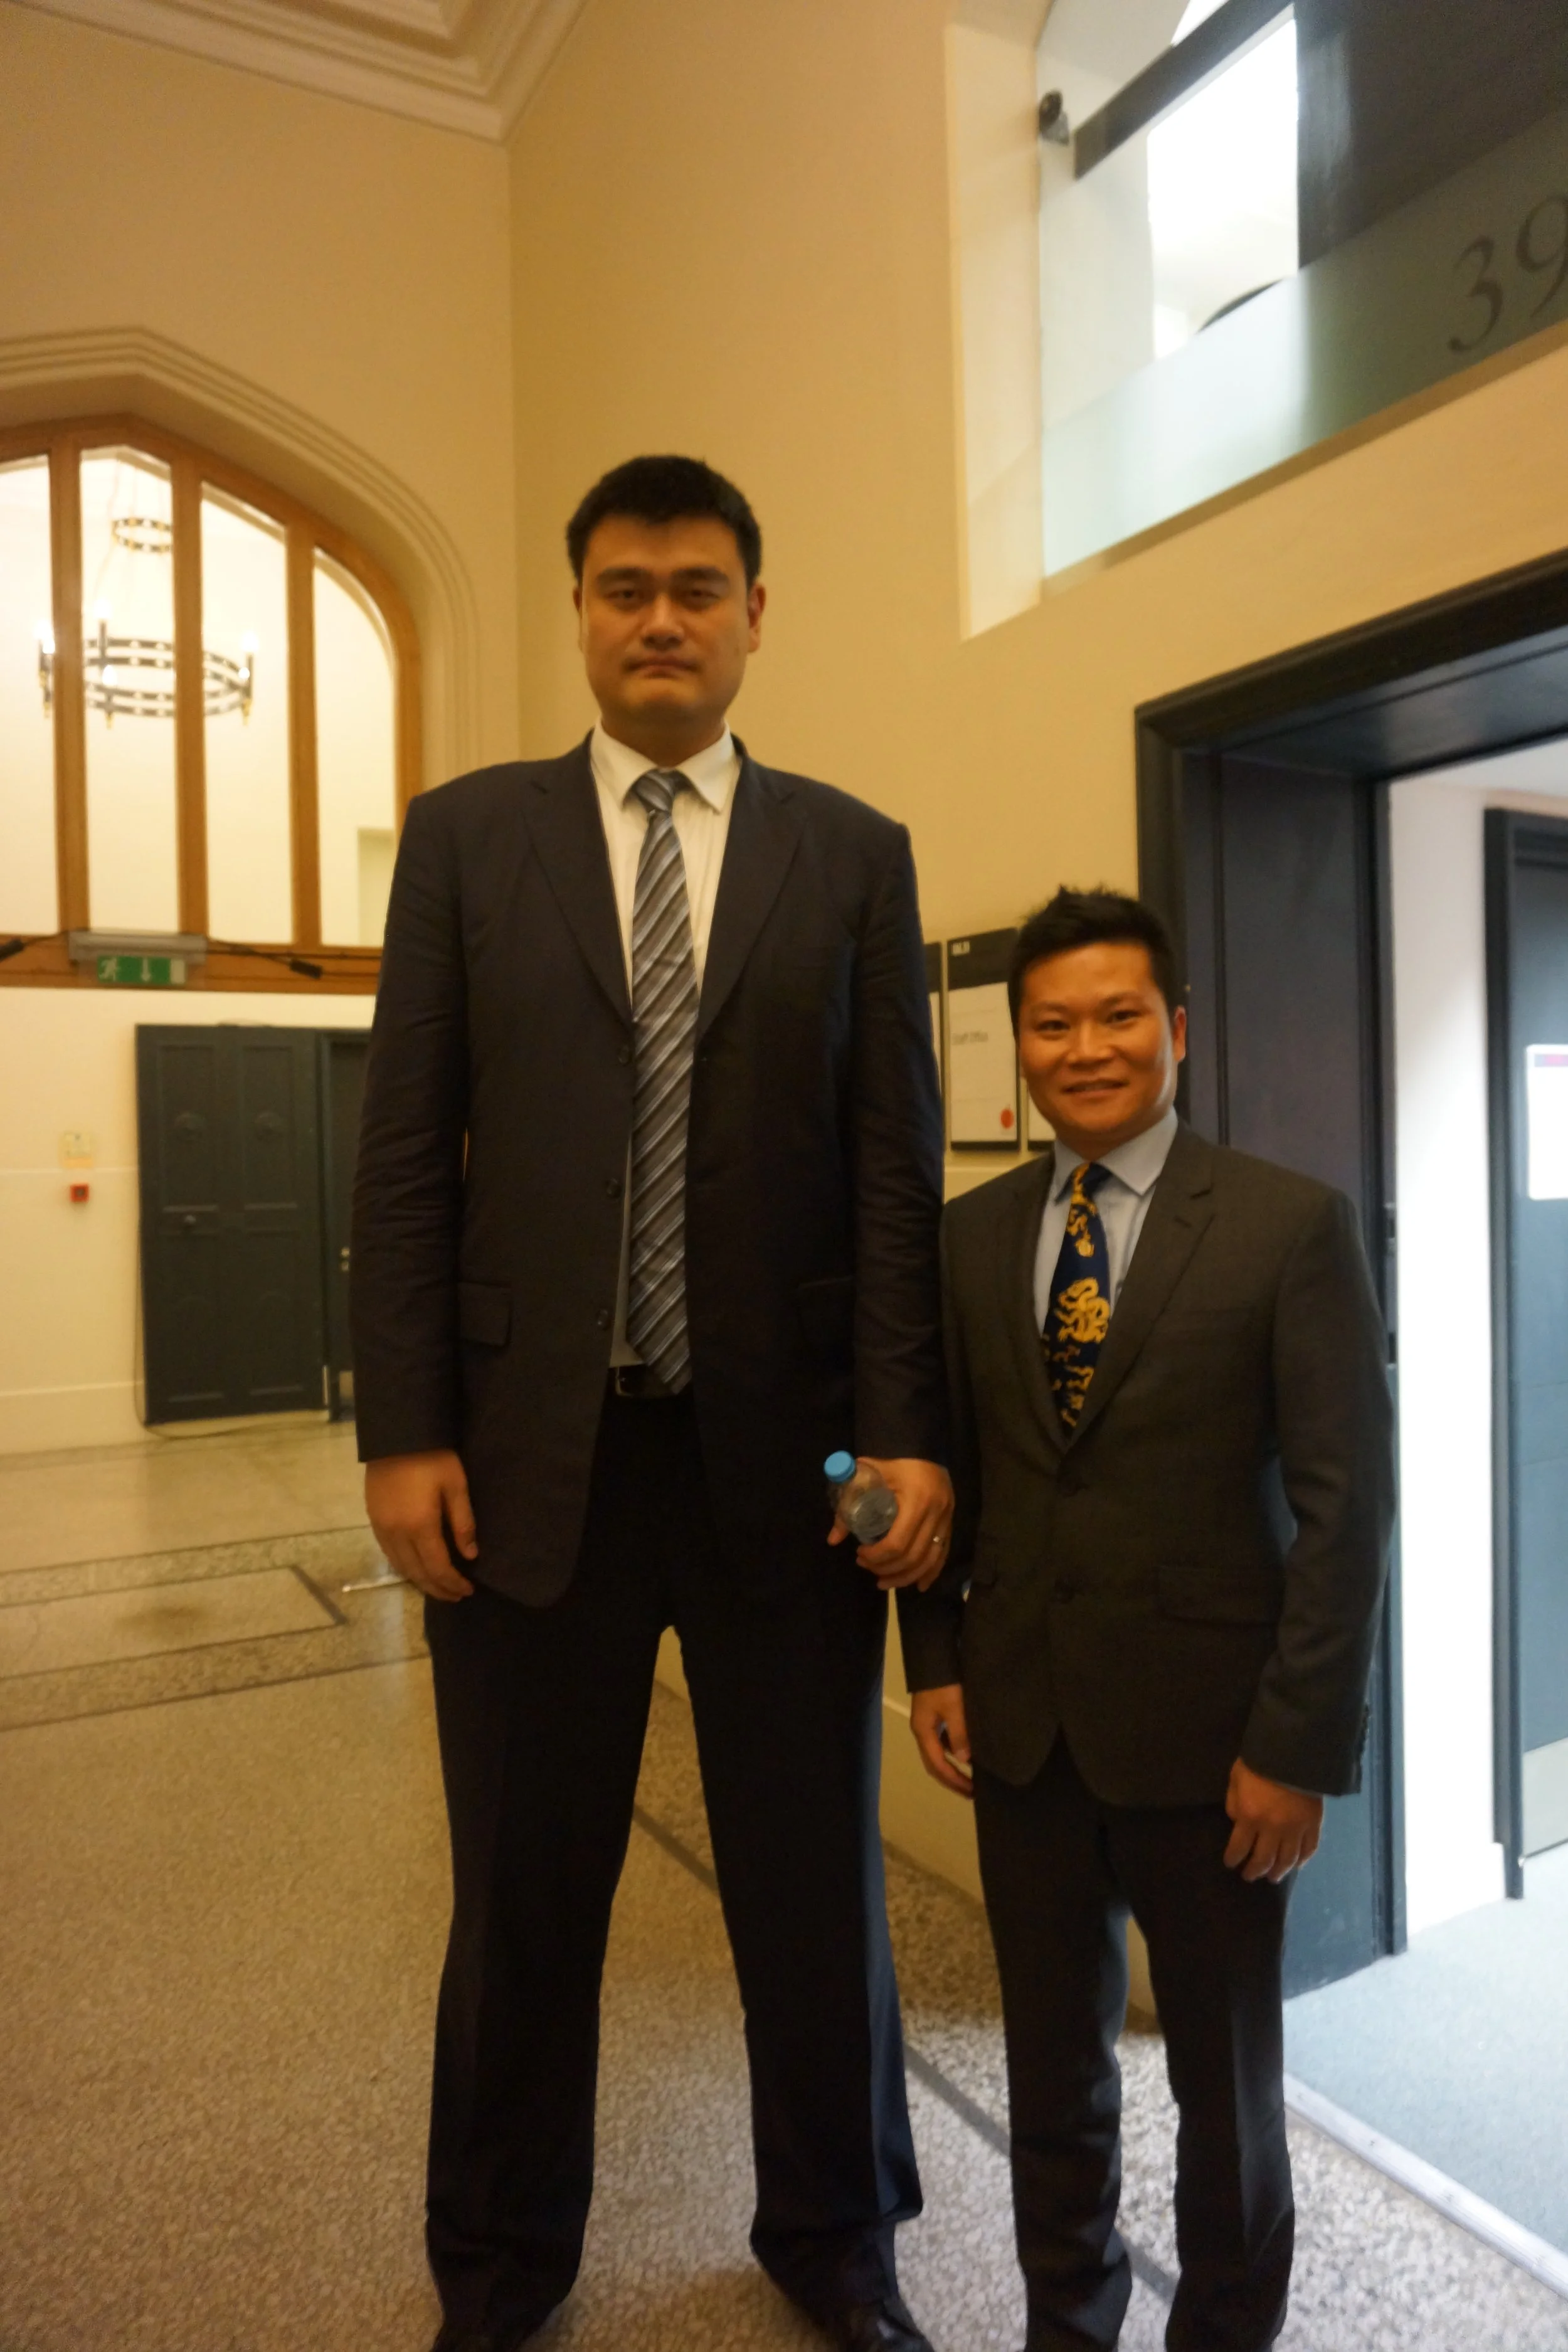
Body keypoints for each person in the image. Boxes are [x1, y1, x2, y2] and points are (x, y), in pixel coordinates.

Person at [351, 454, 953, 2352]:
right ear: (581, 613)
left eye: (699, 588)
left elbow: (891, 1176)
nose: (663, 619)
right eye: (626, 588)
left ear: (755, 614)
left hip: (787, 1467)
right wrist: (402, 1427)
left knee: (809, 1887)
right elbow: (405, 1157)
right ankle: (498, 2264)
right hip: (530, 1464)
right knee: (524, 1896)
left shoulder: (852, 853)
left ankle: (836, 2239)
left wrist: (903, 1431)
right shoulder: (468, 840)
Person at [898, 887, 1394, 2352]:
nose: (1086, 1048)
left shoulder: (1284, 1226)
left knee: (1222, 2091)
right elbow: (950, 1473)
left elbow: (1346, 1514)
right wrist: (935, 1663)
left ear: (1174, 1029)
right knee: (1051, 2080)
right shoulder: (968, 1236)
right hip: (1024, 1736)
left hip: (1217, 1750)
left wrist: (1295, 1749)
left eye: (1117, 1016)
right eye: (1051, 1024)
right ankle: (1068, 2323)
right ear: (1017, 1045)